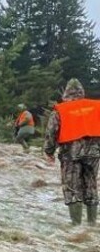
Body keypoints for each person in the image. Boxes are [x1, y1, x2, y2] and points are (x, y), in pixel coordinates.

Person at [44, 78, 100, 226]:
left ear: (66, 93)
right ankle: (92, 222)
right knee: (91, 183)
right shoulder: (96, 106)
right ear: (82, 92)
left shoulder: (61, 110)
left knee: (72, 185)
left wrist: (49, 151)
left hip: (70, 154)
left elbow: (52, 132)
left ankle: (76, 223)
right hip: (93, 153)